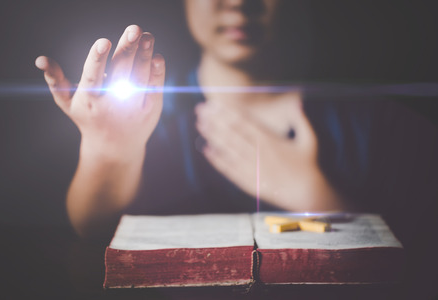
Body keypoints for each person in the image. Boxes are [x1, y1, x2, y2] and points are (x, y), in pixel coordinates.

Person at [35, 0, 437, 243]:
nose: (238, 3)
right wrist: (109, 151)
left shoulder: (380, 124)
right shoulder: (144, 111)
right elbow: (94, 230)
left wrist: (312, 194)